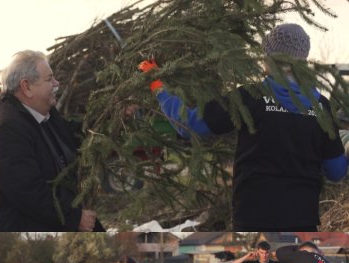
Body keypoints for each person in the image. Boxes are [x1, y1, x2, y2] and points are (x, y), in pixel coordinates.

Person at [140, 23, 348, 231]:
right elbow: (336, 171)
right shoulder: (321, 107)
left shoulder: (250, 97)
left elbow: (189, 124)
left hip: (252, 218)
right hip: (302, 220)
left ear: (269, 57)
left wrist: (158, 87)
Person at [0, 50, 101, 232]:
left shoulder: (45, 114)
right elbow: (29, 193)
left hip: (54, 218)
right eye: (49, 79)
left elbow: (74, 136)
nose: (56, 83)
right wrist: (75, 219)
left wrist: (109, 118)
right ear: (27, 87)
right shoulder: (6, 130)